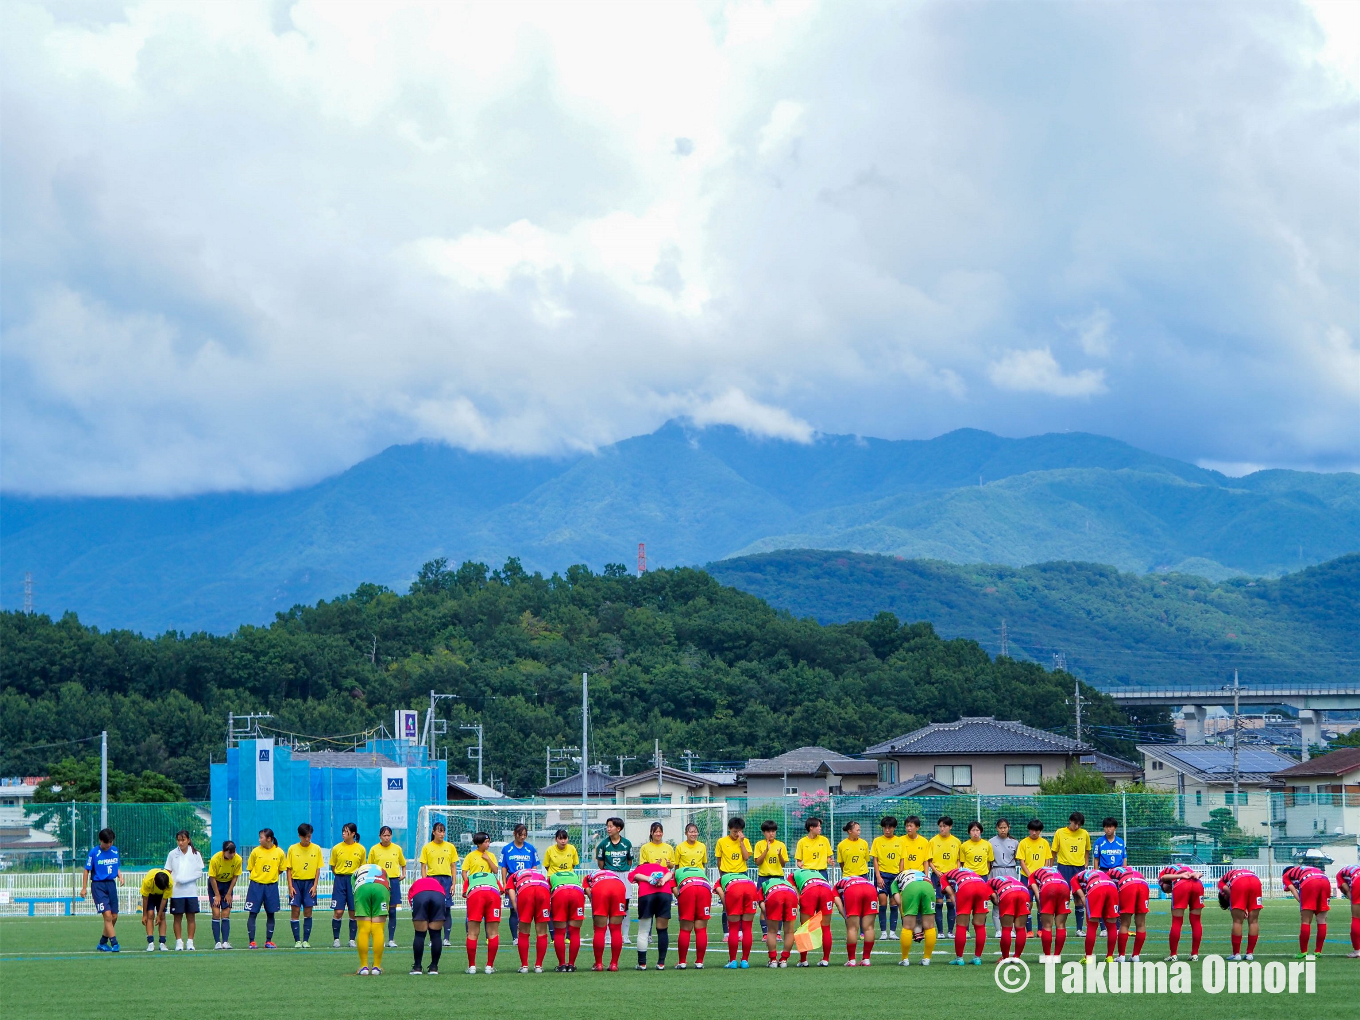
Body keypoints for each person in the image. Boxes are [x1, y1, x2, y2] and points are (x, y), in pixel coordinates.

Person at [631, 822, 676, 969]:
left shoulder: (668, 848)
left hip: (647, 892)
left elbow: (635, 874)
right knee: (662, 929)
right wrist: (661, 879)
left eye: (660, 831)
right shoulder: (646, 848)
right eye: (655, 831)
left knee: (643, 930)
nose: (658, 834)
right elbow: (669, 873)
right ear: (651, 833)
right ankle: (661, 963)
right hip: (664, 891)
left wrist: (651, 878)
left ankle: (642, 964)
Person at [463, 833, 504, 973]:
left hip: (479, 891)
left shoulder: (490, 855)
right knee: (491, 932)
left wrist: (488, 859)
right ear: (479, 843)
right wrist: (467, 882)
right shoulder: (470, 856)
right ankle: (484, 966)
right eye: (486, 842)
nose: (488, 844)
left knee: (474, 932)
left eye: (489, 842)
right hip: (488, 890)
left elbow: (495, 870)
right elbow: (464, 872)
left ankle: (477, 966)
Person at [82, 827, 123, 953]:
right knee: (107, 915)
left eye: (111, 842)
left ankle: (102, 943)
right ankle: (115, 943)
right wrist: (84, 888)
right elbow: (86, 870)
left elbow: (116, 866)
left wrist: (120, 876)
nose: (109, 845)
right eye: (106, 842)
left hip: (111, 885)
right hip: (98, 886)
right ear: (100, 840)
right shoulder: (94, 852)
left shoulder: (115, 850)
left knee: (114, 916)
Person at [595, 817, 634, 944]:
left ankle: (625, 936)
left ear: (618, 828)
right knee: (608, 905)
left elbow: (629, 861)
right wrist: (608, 872)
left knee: (625, 906)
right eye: (607, 826)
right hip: (609, 876)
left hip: (624, 875)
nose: (608, 828)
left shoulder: (627, 843)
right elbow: (600, 863)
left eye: (611, 826)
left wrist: (623, 871)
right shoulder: (603, 844)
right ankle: (607, 937)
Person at [244, 828, 285, 949]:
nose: (259, 840)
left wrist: (269, 877)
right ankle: (252, 942)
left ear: (269, 839)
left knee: (271, 914)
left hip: (271, 887)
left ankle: (268, 941)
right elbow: (250, 868)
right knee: (253, 913)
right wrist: (260, 877)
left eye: (261, 837)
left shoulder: (279, 852)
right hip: (256, 886)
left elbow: (281, 869)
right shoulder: (255, 851)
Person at [941, 866, 991, 965]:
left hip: (966, 887)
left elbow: (951, 894)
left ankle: (959, 959)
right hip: (982, 885)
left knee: (961, 925)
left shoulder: (944, 877)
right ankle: (977, 958)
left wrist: (959, 909)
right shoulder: (969, 871)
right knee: (980, 925)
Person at [419, 822, 459, 945]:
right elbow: (423, 866)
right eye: (439, 831)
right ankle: (433, 938)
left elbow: (453, 866)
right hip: (432, 880)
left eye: (443, 831)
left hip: (446, 881)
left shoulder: (450, 847)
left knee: (447, 909)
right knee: (432, 909)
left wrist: (453, 883)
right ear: (433, 832)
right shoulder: (427, 848)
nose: (442, 834)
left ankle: (446, 938)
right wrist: (425, 882)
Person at [1051, 812, 1091, 935]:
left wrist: (1086, 863)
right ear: (1070, 821)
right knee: (1063, 898)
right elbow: (1054, 851)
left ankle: (1079, 929)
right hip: (1064, 868)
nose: (1077, 827)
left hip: (1079, 869)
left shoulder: (1084, 834)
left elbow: (1087, 850)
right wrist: (1050, 868)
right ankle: (1061, 927)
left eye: (1079, 825)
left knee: (1079, 897)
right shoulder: (1060, 832)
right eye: (1075, 823)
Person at [499, 822, 540, 943]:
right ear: (514, 834)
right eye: (520, 834)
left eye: (525, 835)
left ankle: (525, 934)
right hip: (512, 881)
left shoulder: (530, 849)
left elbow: (534, 866)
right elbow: (503, 867)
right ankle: (515, 938)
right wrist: (504, 883)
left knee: (528, 908)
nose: (522, 837)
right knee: (513, 909)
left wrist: (533, 879)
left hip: (527, 882)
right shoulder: (507, 849)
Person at [165, 829, 204, 951]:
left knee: (191, 917)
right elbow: (167, 871)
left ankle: (190, 942)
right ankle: (179, 942)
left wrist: (185, 879)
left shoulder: (196, 854)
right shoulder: (172, 854)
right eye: (178, 840)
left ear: (188, 840)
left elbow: (199, 872)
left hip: (191, 891)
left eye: (183, 840)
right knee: (177, 917)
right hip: (176, 892)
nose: (180, 843)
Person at [286, 822, 323, 948]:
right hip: (296, 883)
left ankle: (306, 940)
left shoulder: (316, 849)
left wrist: (315, 885)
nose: (307, 839)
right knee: (295, 910)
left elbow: (318, 869)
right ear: (299, 836)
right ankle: (297, 940)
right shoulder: (292, 849)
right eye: (305, 837)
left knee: (308, 911)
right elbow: (289, 869)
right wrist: (290, 886)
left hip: (310, 883)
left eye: (309, 836)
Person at [1283, 864, 1332, 959]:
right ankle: (1318, 951)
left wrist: (1303, 903)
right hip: (1325, 880)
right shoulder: (1303, 868)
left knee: (1306, 920)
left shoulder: (1286, 875)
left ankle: (1303, 952)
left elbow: (1293, 890)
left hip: (1309, 881)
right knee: (1322, 919)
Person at [368, 826, 407, 948]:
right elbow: (370, 867)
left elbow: (403, 863)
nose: (387, 838)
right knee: (380, 912)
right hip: (380, 882)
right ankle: (380, 939)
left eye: (389, 835)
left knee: (392, 911)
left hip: (393, 881)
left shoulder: (397, 849)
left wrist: (403, 874)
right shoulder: (374, 849)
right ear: (380, 836)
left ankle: (391, 939)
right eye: (384, 835)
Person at [585, 864, 629, 971]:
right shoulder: (613, 874)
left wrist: (594, 902)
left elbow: (588, 892)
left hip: (600, 888)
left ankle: (599, 964)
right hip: (619, 887)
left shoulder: (588, 877)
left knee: (600, 930)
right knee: (616, 929)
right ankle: (614, 964)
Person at [507, 865, 551, 973]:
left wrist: (518, 912)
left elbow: (512, 895)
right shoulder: (539, 873)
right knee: (542, 932)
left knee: (523, 931)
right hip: (543, 889)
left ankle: (524, 966)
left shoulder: (513, 875)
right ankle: (538, 966)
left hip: (526, 890)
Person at [1069, 866, 1119, 961]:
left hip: (1096, 887)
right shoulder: (1097, 872)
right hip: (1112, 887)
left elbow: (1082, 898)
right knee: (1112, 925)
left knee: (1092, 925)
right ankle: (1110, 957)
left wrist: (1090, 910)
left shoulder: (1073, 879)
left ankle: (1088, 957)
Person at [330, 822, 366, 948]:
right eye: (343, 831)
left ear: (353, 833)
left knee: (353, 912)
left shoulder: (361, 849)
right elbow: (333, 866)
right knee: (338, 912)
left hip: (354, 881)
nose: (343, 834)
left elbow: (362, 867)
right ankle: (336, 939)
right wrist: (341, 876)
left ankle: (352, 939)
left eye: (346, 831)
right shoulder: (336, 848)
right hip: (340, 880)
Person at [716, 817, 753, 938]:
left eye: (739, 831)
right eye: (734, 831)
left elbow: (746, 857)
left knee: (742, 905)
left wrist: (741, 842)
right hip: (727, 875)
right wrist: (722, 876)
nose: (737, 834)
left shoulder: (745, 841)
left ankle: (740, 932)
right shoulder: (721, 842)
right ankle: (727, 933)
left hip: (742, 875)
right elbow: (719, 860)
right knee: (727, 904)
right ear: (729, 829)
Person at [1158, 864, 1204, 962]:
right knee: (1196, 921)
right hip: (1198, 884)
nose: (1168, 891)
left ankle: (1173, 955)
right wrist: (1198, 874)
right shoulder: (1185, 867)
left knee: (1177, 921)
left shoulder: (1165, 871)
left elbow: (1163, 878)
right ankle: (1195, 954)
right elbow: (1198, 874)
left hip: (1181, 885)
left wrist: (1179, 877)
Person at [715, 867, 759, 968]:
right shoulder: (744, 876)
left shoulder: (721, 879)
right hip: (751, 887)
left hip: (734, 889)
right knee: (747, 928)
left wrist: (727, 907)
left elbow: (721, 893)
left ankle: (733, 961)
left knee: (734, 928)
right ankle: (745, 961)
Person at [833, 866, 878, 966]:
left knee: (852, 928)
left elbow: (839, 905)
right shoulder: (860, 878)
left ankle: (852, 960)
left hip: (852, 889)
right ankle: (866, 959)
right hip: (870, 888)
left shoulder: (836, 886)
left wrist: (846, 916)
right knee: (869, 927)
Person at [791, 868, 836, 967]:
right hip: (826, 889)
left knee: (805, 927)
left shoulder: (792, 875)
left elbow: (795, 894)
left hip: (810, 890)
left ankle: (803, 960)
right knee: (826, 927)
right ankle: (825, 959)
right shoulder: (816, 872)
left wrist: (801, 902)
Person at [1216, 866, 1262, 961]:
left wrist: (1240, 906)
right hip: (1256, 881)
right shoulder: (1233, 873)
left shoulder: (1221, 883)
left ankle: (1236, 954)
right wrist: (1244, 907)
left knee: (1237, 921)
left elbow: (1229, 892)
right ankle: (1249, 954)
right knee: (1254, 921)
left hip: (1239, 882)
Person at [890, 869, 935, 966]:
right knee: (930, 926)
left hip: (911, 887)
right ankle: (927, 959)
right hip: (928, 886)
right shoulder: (919, 873)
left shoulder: (895, 881)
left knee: (907, 927)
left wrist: (906, 918)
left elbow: (899, 901)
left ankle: (905, 959)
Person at [353, 862, 391, 975]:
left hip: (362, 888)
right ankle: (376, 967)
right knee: (378, 929)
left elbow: (354, 889)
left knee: (363, 930)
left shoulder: (356, 871)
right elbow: (388, 887)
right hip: (381, 887)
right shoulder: (383, 870)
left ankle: (364, 967)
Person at [406, 873, 448, 975]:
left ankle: (417, 967)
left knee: (419, 934)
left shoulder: (416, 884)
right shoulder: (437, 884)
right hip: (439, 896)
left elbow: (411, 899)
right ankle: (434, 967)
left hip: (420, 895)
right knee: (436, 934)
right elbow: (444, 896)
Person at [548, 861, 587, 971]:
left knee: (559, 932)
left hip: (560, 892)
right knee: (575, 932)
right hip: (577, 893)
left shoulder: (552, 876)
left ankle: (562, 965)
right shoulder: (574, 875)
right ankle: (571, 965)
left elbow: (547, 891)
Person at [1015, 819, 1050, 937]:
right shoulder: (1023, 843)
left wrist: (1042, 874)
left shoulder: (1044, 843)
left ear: (1040, 831)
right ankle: (1029, 930)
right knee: (1027, 903)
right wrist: (1030, 875)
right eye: (1032, 830)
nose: (1034, 833)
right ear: (1029, 830)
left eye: (1037, 830)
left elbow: (1047, 860)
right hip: (1027, 877)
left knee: (1041, 902)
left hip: (1041, 879)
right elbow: (1022, 861)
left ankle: (1040, 930)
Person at [1092, 817, 1126, 939]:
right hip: (1104, 872)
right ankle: (1103, 928)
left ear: (1115, 828)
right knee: (1103, 900)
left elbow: (1124, 859)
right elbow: (1096, 859)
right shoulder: (1099, 842)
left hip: (1118, 873)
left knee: (1117, 900)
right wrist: (1097, 874)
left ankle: (1117, 926)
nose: (1108, 829)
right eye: (1106, 827)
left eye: (1111, 827)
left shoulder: (1120, 842)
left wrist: (1124, 873)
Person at [673, 864, 713, 969]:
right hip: (704, 887)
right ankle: (699, 962)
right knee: (701, 929)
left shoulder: (676, 872)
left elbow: (674, 888)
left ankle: (682, 962)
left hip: (687, 887)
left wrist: (682, 900)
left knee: (685, 929)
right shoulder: (700, 870)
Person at [1030, 864, 1072, 961]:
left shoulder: (1033, 875)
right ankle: (1057, 956)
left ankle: (1047, 956)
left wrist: (1042, 905)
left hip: (1048, 887)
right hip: (1064, 886)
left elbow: (1037, 894)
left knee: (1047, 926)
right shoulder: (1055, 870)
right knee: (1061, 925)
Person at [1108, 865, 1150, 962]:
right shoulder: (1131, 869)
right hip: (1143, 884)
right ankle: (1136, 956)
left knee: (1124, 923)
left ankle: (1121, 956)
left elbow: (1110, 891)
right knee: (1141, 923)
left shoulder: (1109, 873)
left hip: (1128, 884)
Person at [870, 817, 903, 939]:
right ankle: (883, 932)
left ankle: (892, 932)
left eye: (889, 828)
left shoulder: (900, 841)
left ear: (894, 828)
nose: (887, 830)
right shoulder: (877, 841)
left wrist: (900, 876)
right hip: (882, 875)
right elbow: (875, 860)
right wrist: (878, 876)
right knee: (882, 902)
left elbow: (902, 860)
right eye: (885, 827)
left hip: (895, 876)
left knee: (894, 903)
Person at [758, 872, 798, 967]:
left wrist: (769, 913)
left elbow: (762, 904)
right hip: (791, 895)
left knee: (772, 931)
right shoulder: (788, 882)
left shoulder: (764, 884)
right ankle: (784, 960)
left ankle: (773, 960)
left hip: (774, 894)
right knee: (789, 932)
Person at [987, 872, 1031, 959]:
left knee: (1006, 929)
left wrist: (998, 903)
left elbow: (994, 897)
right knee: (1021, 928)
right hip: (1024, 892)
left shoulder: (988, 883)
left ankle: (1005, 957)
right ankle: (1017, 957)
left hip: (1008, 893)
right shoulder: (1010, 878)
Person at [929, 816, 961, 936]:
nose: (942, 828)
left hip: (951, 877)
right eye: (940, 826)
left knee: (951, 902)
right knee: (938, 903)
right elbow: (929, 860)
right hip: (937, 876)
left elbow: (959, 860)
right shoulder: (933, 841)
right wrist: (936, 871)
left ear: (950, 827)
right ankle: (940, 932)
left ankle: (950, 931)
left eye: (945, 826)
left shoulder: (956, 842)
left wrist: (955, 872)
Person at [207, 840, 241, 949]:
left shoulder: (238, 859)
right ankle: (217, 942)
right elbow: (212, 878)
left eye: (234, 852)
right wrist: (217, 895)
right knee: (216, 913)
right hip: (215, 884)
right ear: (224, 851)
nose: (232, 855)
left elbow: (235, 877)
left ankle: (225, 942)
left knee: (226, 913)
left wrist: (229, 893)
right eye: (230, 853)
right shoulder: (215, 859)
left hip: (227, 885)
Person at [988, 818, 1019, 937]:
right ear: (997, 828)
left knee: (1011, 901)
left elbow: (1017, 858)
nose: (1003, 830)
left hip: (1011, 871)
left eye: (1005, 827)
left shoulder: (1014, 842)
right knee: (997, 901)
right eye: (1000, 827)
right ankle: (998, 930)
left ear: (1008, 828)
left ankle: (1011, 929)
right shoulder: (991, 842)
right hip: (996, 871)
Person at [140, 867, 172, 951]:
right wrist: (144, 915)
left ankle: (162, 943)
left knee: (162, 916)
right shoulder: (148, 880)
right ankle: (150, 942)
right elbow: (145, 898)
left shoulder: (169, 882)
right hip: (150, 895)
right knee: (150, 914)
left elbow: (164, 899)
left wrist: (159, 915)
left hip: (161, 897)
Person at [1334, 864, 1359, 958]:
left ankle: (1357, 951)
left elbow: (1347, 891)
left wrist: (1353, 901)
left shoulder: (1339, 875)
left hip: (1358, 881)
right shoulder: (1355, 869)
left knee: (1356, 918)